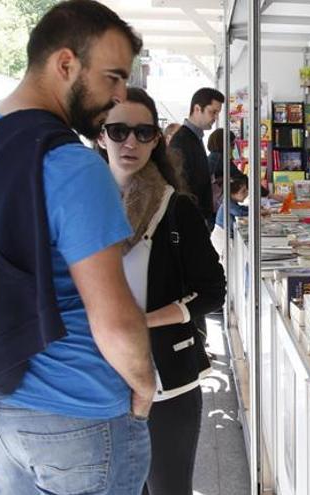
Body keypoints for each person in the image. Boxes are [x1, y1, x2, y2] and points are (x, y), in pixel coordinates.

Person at [0, 2, 155, 493]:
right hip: (81, 412)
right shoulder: (73, 165)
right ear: (66, 64)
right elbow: (113, 318)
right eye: (113, 78)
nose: (119, 96)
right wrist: (144, 385)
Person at [98, 87, 226, 495]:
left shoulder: (175, 209)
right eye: (118, 131)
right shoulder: (79, 208)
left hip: (166, 381)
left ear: (157, 139)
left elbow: (213, 291)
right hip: (95, 380)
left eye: (143, 131)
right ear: (100, 136)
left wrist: (143, 321)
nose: (130, 142)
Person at [170, 87, 225, 228]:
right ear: (197, 109)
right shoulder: (181, 140)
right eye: (213, 112)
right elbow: (181, 184)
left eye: (218, 113)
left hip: (198, 217)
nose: (216, 118)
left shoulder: (195, 137)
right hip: (190, 220)